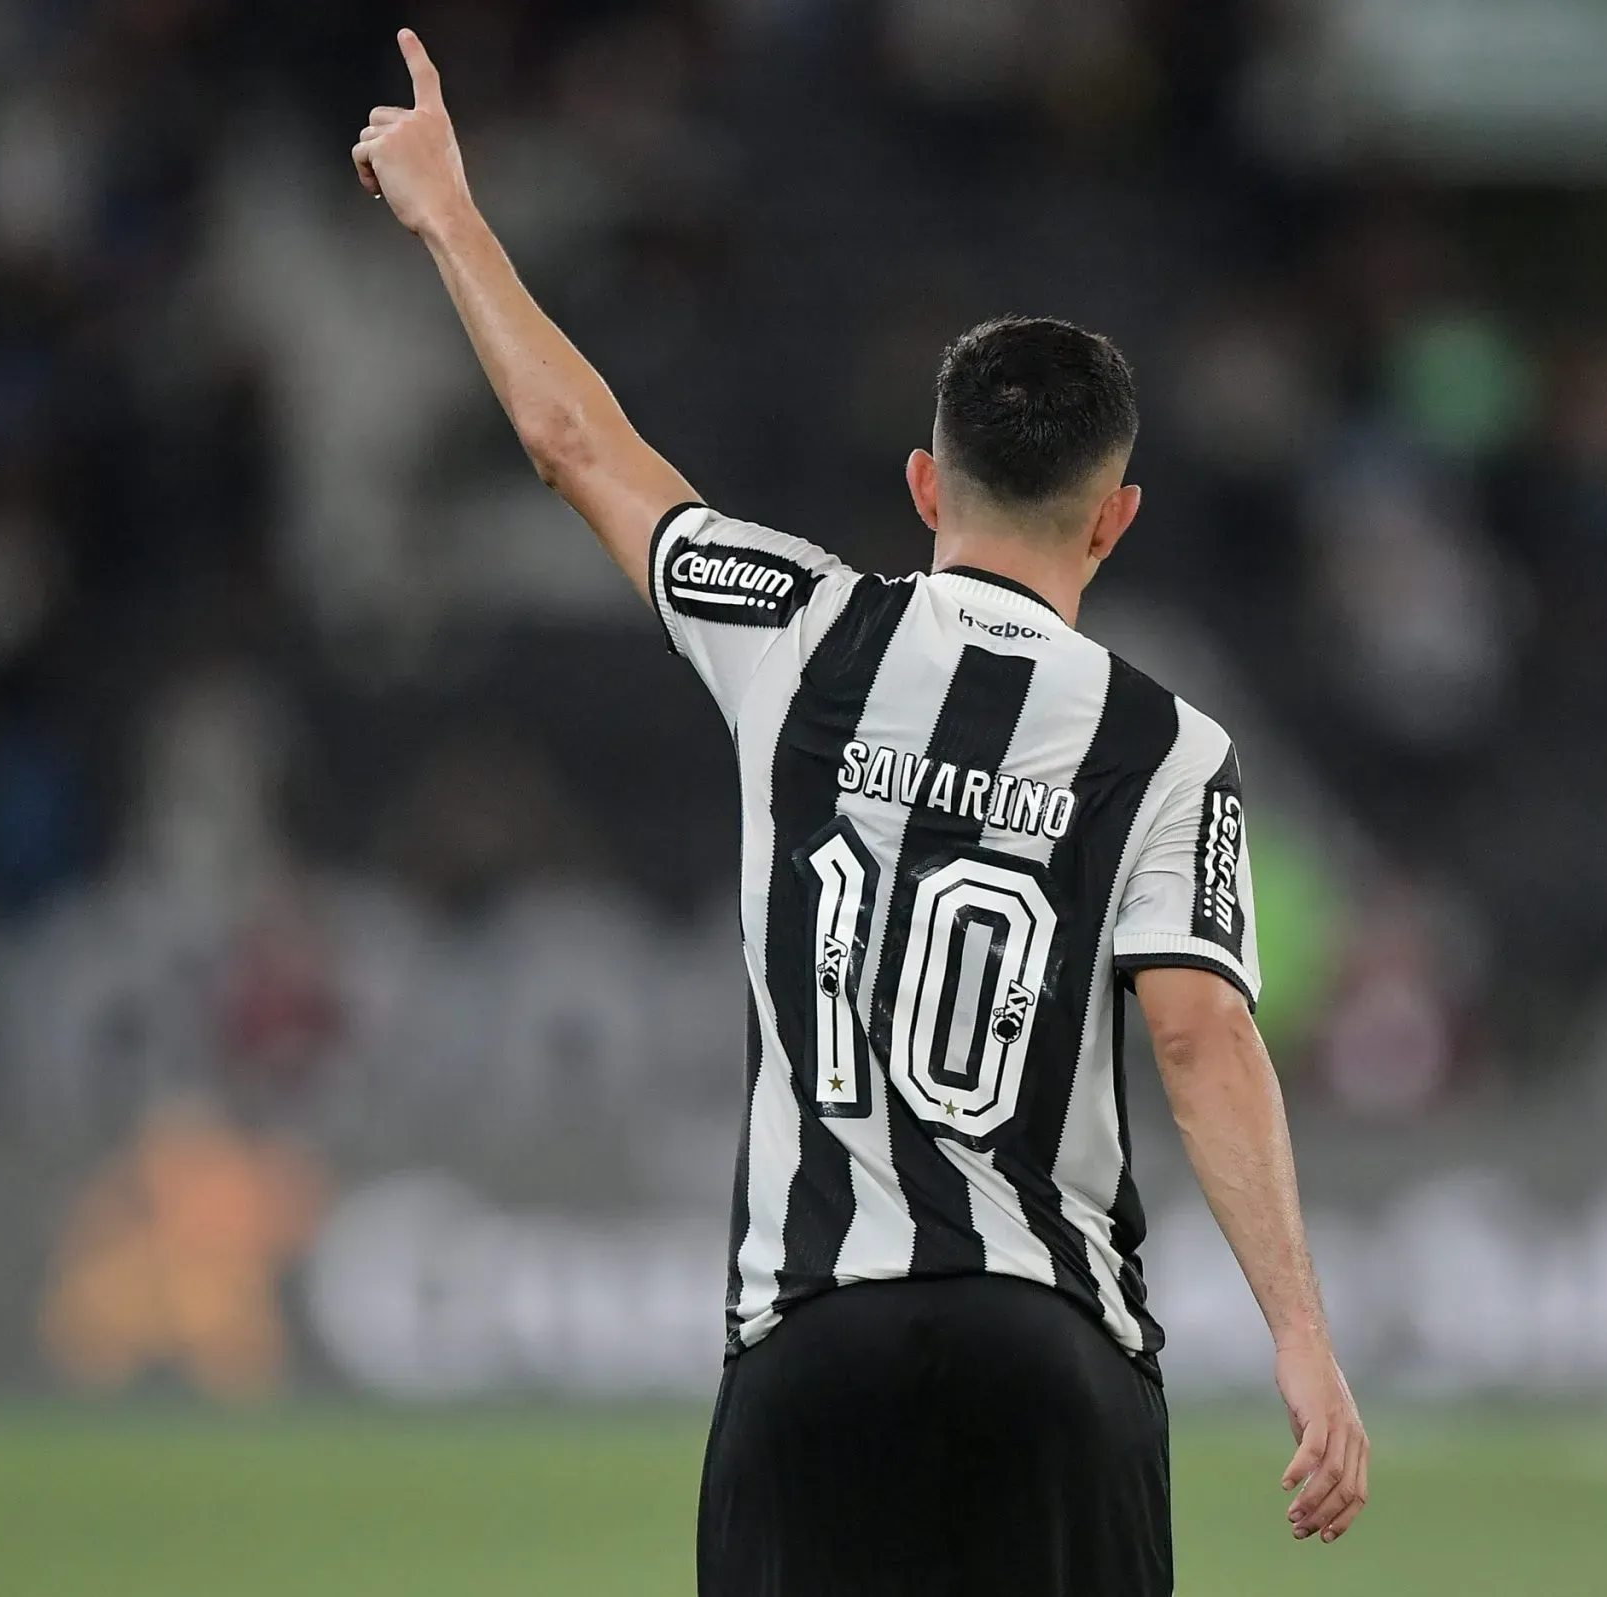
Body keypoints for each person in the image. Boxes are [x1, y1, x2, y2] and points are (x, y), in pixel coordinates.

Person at [353, 30, 1369, 1595]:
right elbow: (1197, 1039)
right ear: (1117, 516)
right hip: (1054, 1349)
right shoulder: (1168, 750)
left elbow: (573, 444)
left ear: (920, 484)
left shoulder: (797, 631)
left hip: (811, 1344)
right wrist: (1303, 1338)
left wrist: (448, 214)